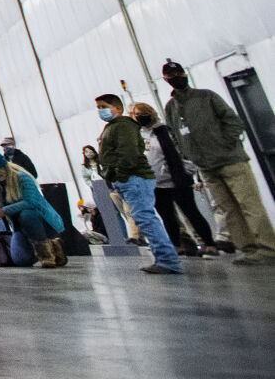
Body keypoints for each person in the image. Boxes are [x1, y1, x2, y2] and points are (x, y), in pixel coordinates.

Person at [163, 59, 275, 264]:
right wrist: (187, 156)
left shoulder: (206, 97)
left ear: (185, 73)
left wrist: (225, 145)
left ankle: (268, 248)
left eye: (178, 73)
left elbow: (233, 121)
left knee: (249, 204)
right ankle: (247, 248)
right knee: (228, 210)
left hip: (230, 161)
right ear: (165, 79)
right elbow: (174, 135)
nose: (175, 78)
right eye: (171, 76)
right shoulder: (171, 107)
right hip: (205, 167)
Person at [94, 93, 182, 275]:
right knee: (144, 217)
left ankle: (167, 260)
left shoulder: (124, 126)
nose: (100, 111)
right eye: (98, 108)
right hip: (127, 178)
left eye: (103, 106)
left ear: (118, 108)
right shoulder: (113, 127)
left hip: (133, 178)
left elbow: (128, 154)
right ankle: (164, 258)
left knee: (145, 217)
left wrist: (116, 173)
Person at [129, 102, 218, 258]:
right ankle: (177, 246)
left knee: (191, 212)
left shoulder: (164, 131)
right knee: (167, 216)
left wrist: (189, 172)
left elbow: (178, 153)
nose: (135, 117)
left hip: (177, 180)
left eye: (138, 114)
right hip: (156, 183)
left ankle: (209, 244)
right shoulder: (139, 135)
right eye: (133, 114)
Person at [0, 150, 65, 268]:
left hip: (41, 222)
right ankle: (49, 247)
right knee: (21, 260)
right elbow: (4, 205)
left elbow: (30, 202)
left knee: (26, 214)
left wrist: (4, 210)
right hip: (20, 227)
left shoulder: (22, 177)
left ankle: (48, 253)